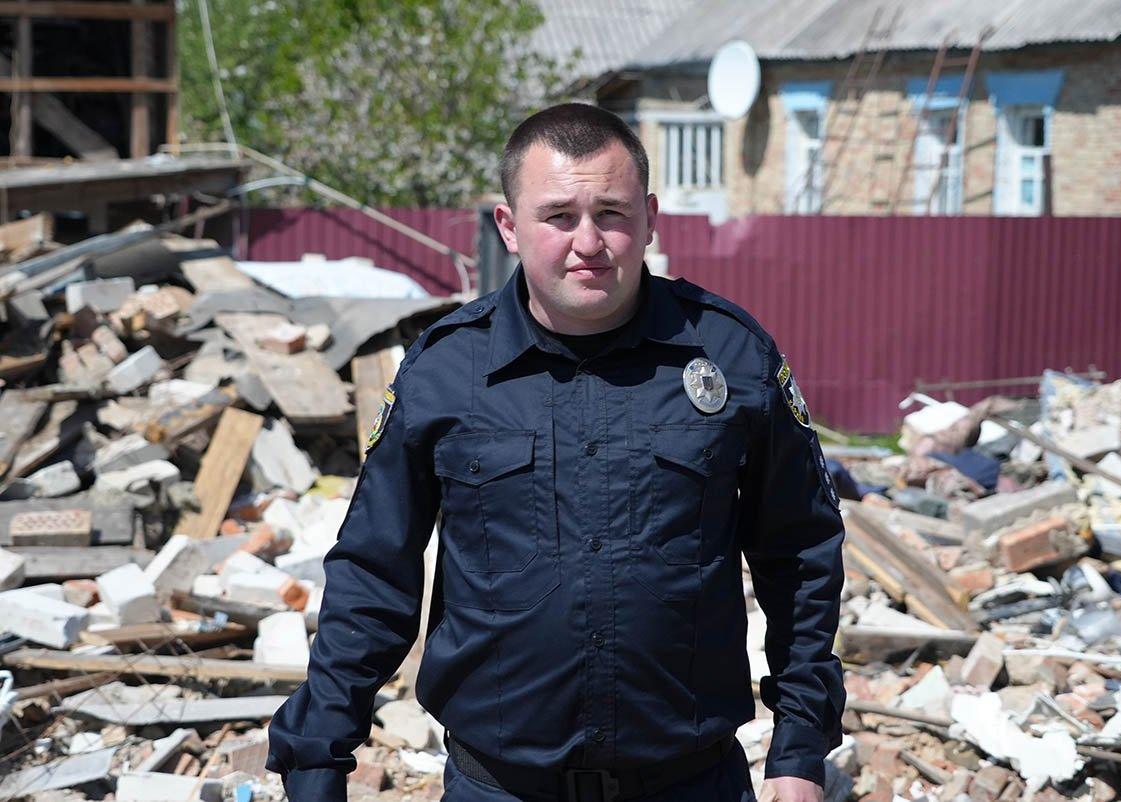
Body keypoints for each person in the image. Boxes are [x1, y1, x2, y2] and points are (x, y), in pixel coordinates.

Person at [266, 102, 846, 802]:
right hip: (500, 787)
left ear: (651, 218)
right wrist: (317, 756)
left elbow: (801, 554)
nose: (589, 241)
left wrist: (800, 748)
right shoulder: (447, 371)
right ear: (509, 227)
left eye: (612, 213)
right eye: (559, 216)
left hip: (690, 783)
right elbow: (373, 572)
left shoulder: (730, 355)